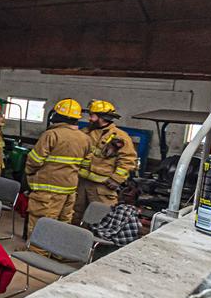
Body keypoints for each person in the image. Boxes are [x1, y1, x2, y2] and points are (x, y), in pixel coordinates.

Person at [24, 99, 91, 237]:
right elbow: (86, 164)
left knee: (42, 222)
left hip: (47, 190)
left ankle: (36, 253)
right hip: (70, 190)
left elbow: (34, 160)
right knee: (62, 223)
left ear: (58, 116)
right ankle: (56, 254)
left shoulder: (52, 134)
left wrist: (29, 174)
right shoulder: (85, 138)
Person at [72, 100, 139, 225]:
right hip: (80, 183)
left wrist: (116, 179)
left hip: (102, 187)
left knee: (101, 219)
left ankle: (93, 243)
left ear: (102, 117)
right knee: (74, 215)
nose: (90, 119)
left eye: (92, 115)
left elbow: (128, 160)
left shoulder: (120, 137)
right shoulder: (85, 133)